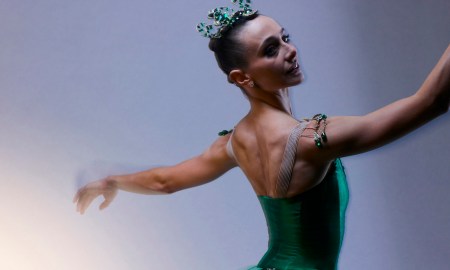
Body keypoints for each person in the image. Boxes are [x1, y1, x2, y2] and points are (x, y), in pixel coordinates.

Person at [73, 1, 450, 269]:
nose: (290, 50)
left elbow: (164, 181)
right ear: (242, 77)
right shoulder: (311, 141)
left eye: (285, 38)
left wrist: (113, 181)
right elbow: (431, 101)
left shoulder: (234, 143)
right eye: (271, 50)